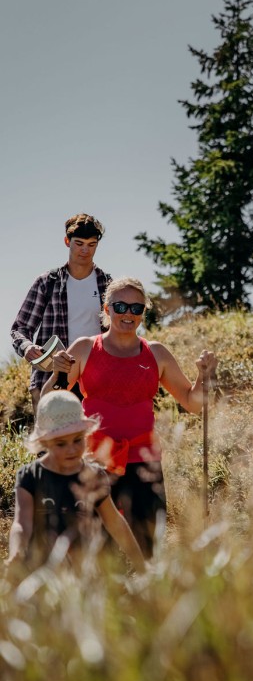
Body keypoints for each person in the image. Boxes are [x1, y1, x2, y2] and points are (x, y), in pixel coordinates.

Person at [44, 276, 215, 558]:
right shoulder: (85, 348)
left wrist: (203, 376)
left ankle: (146, 598)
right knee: (98, 547)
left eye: (136, 309)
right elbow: (51, 402)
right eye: (121, 306)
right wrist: (57, 372)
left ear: (143, 313)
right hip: (95, 461)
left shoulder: (156, 353)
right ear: (106, 308)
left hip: (145, 462)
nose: (128, 314)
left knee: (149, 542)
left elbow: (192, 402)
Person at [5, 391, 145, 573]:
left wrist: (141, 565)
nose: (71, 449)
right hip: (40, 572)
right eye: (61, 444)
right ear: (44, 443)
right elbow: (22, 523)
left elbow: (115, 523)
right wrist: (16, 552)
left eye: (78, 440)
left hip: (83, 572)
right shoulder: (30, 476)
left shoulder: (93, 476)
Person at [10, 213, 111, 412]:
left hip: (96, 378)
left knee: (97, 441)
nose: (85, 250)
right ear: (67, 241)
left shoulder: (107, 285)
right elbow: (20, 328)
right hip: (51, 378)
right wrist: (28, 347)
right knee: (51, 440)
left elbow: (117, 332)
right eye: (79, 243)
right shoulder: (47, 282)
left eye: (91, 244)